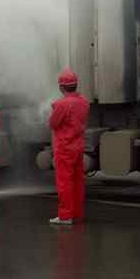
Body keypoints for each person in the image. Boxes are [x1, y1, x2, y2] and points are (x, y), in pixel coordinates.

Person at [48, 68, 90, 225]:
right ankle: (77, 213)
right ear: (76, 85)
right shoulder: (84, 102)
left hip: (64, 148)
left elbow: (53, 123)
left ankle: (65, 216)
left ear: (61, 87)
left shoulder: (61, 104)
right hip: (78, 147)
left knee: (65, 182)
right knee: (77, 181)